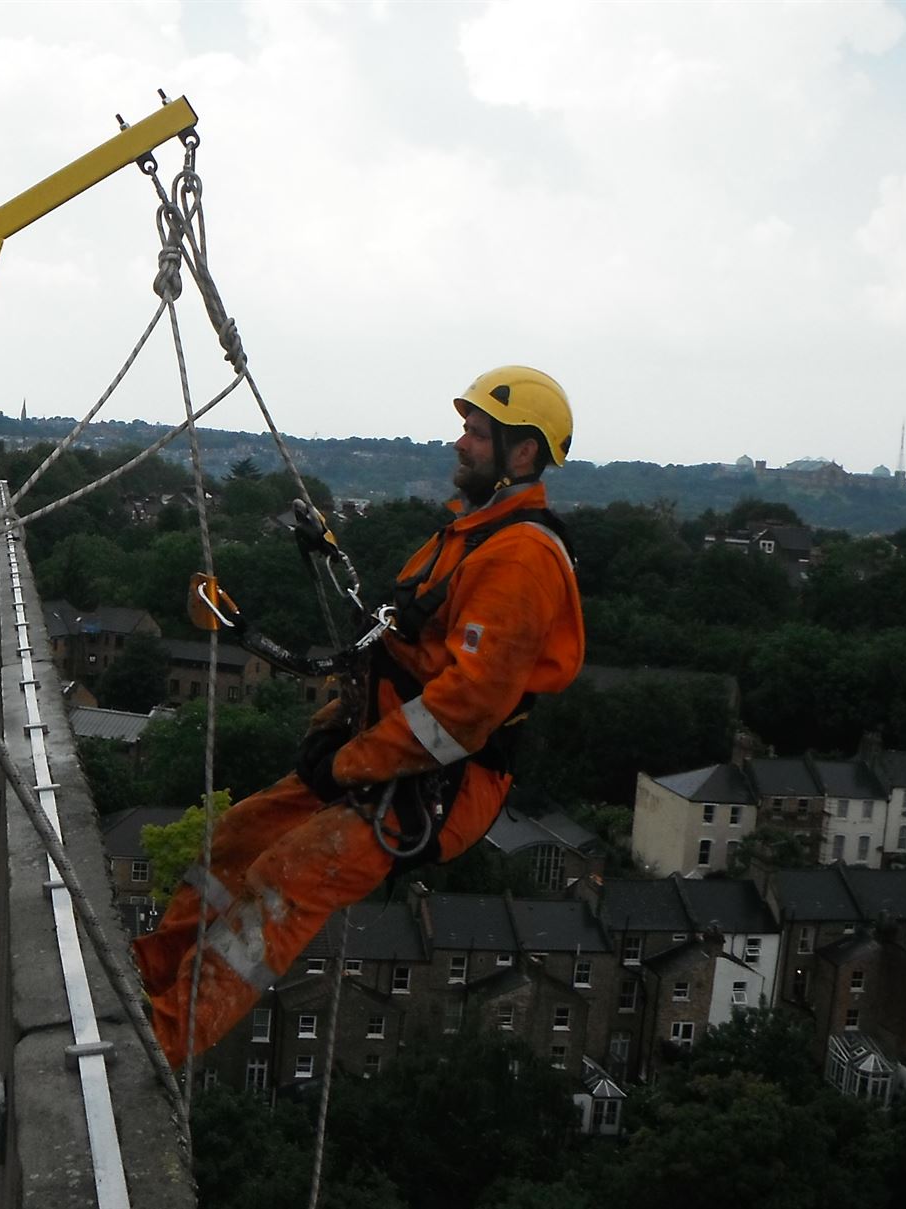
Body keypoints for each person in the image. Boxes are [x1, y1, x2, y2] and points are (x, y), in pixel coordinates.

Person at [131, 366, 586, 1066]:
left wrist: (354, 760)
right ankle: (146, 977)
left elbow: (465, 710)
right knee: (236, 840)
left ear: (522, 453)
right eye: (465, 428)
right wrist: (341, 722)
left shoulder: (522, 559)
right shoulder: (470, 536)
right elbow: (408, 654)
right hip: (386, 750)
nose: (460, 443)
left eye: (476, 433)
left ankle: (162, 1039)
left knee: (283, 877)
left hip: (440, 784)